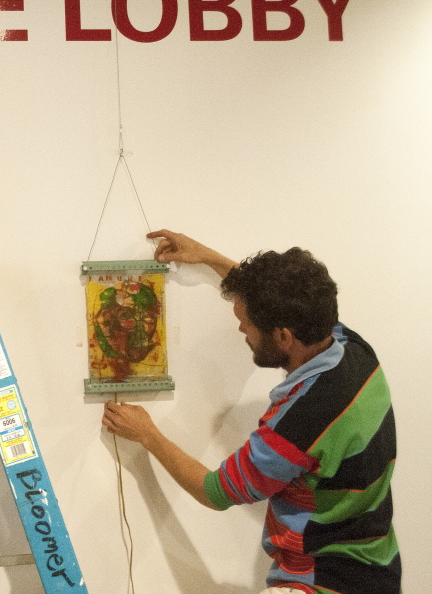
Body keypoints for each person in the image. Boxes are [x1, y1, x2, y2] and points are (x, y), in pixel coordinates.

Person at [102, 230, 401, 594]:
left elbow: (213, 491)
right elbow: (286, 299)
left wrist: (148, 434)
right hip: (380, 573)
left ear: (283, 337)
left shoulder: (296, 426)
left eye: (247, 322)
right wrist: (209, 256)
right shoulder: (352, 349)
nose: (241, 328)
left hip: (318, 584)